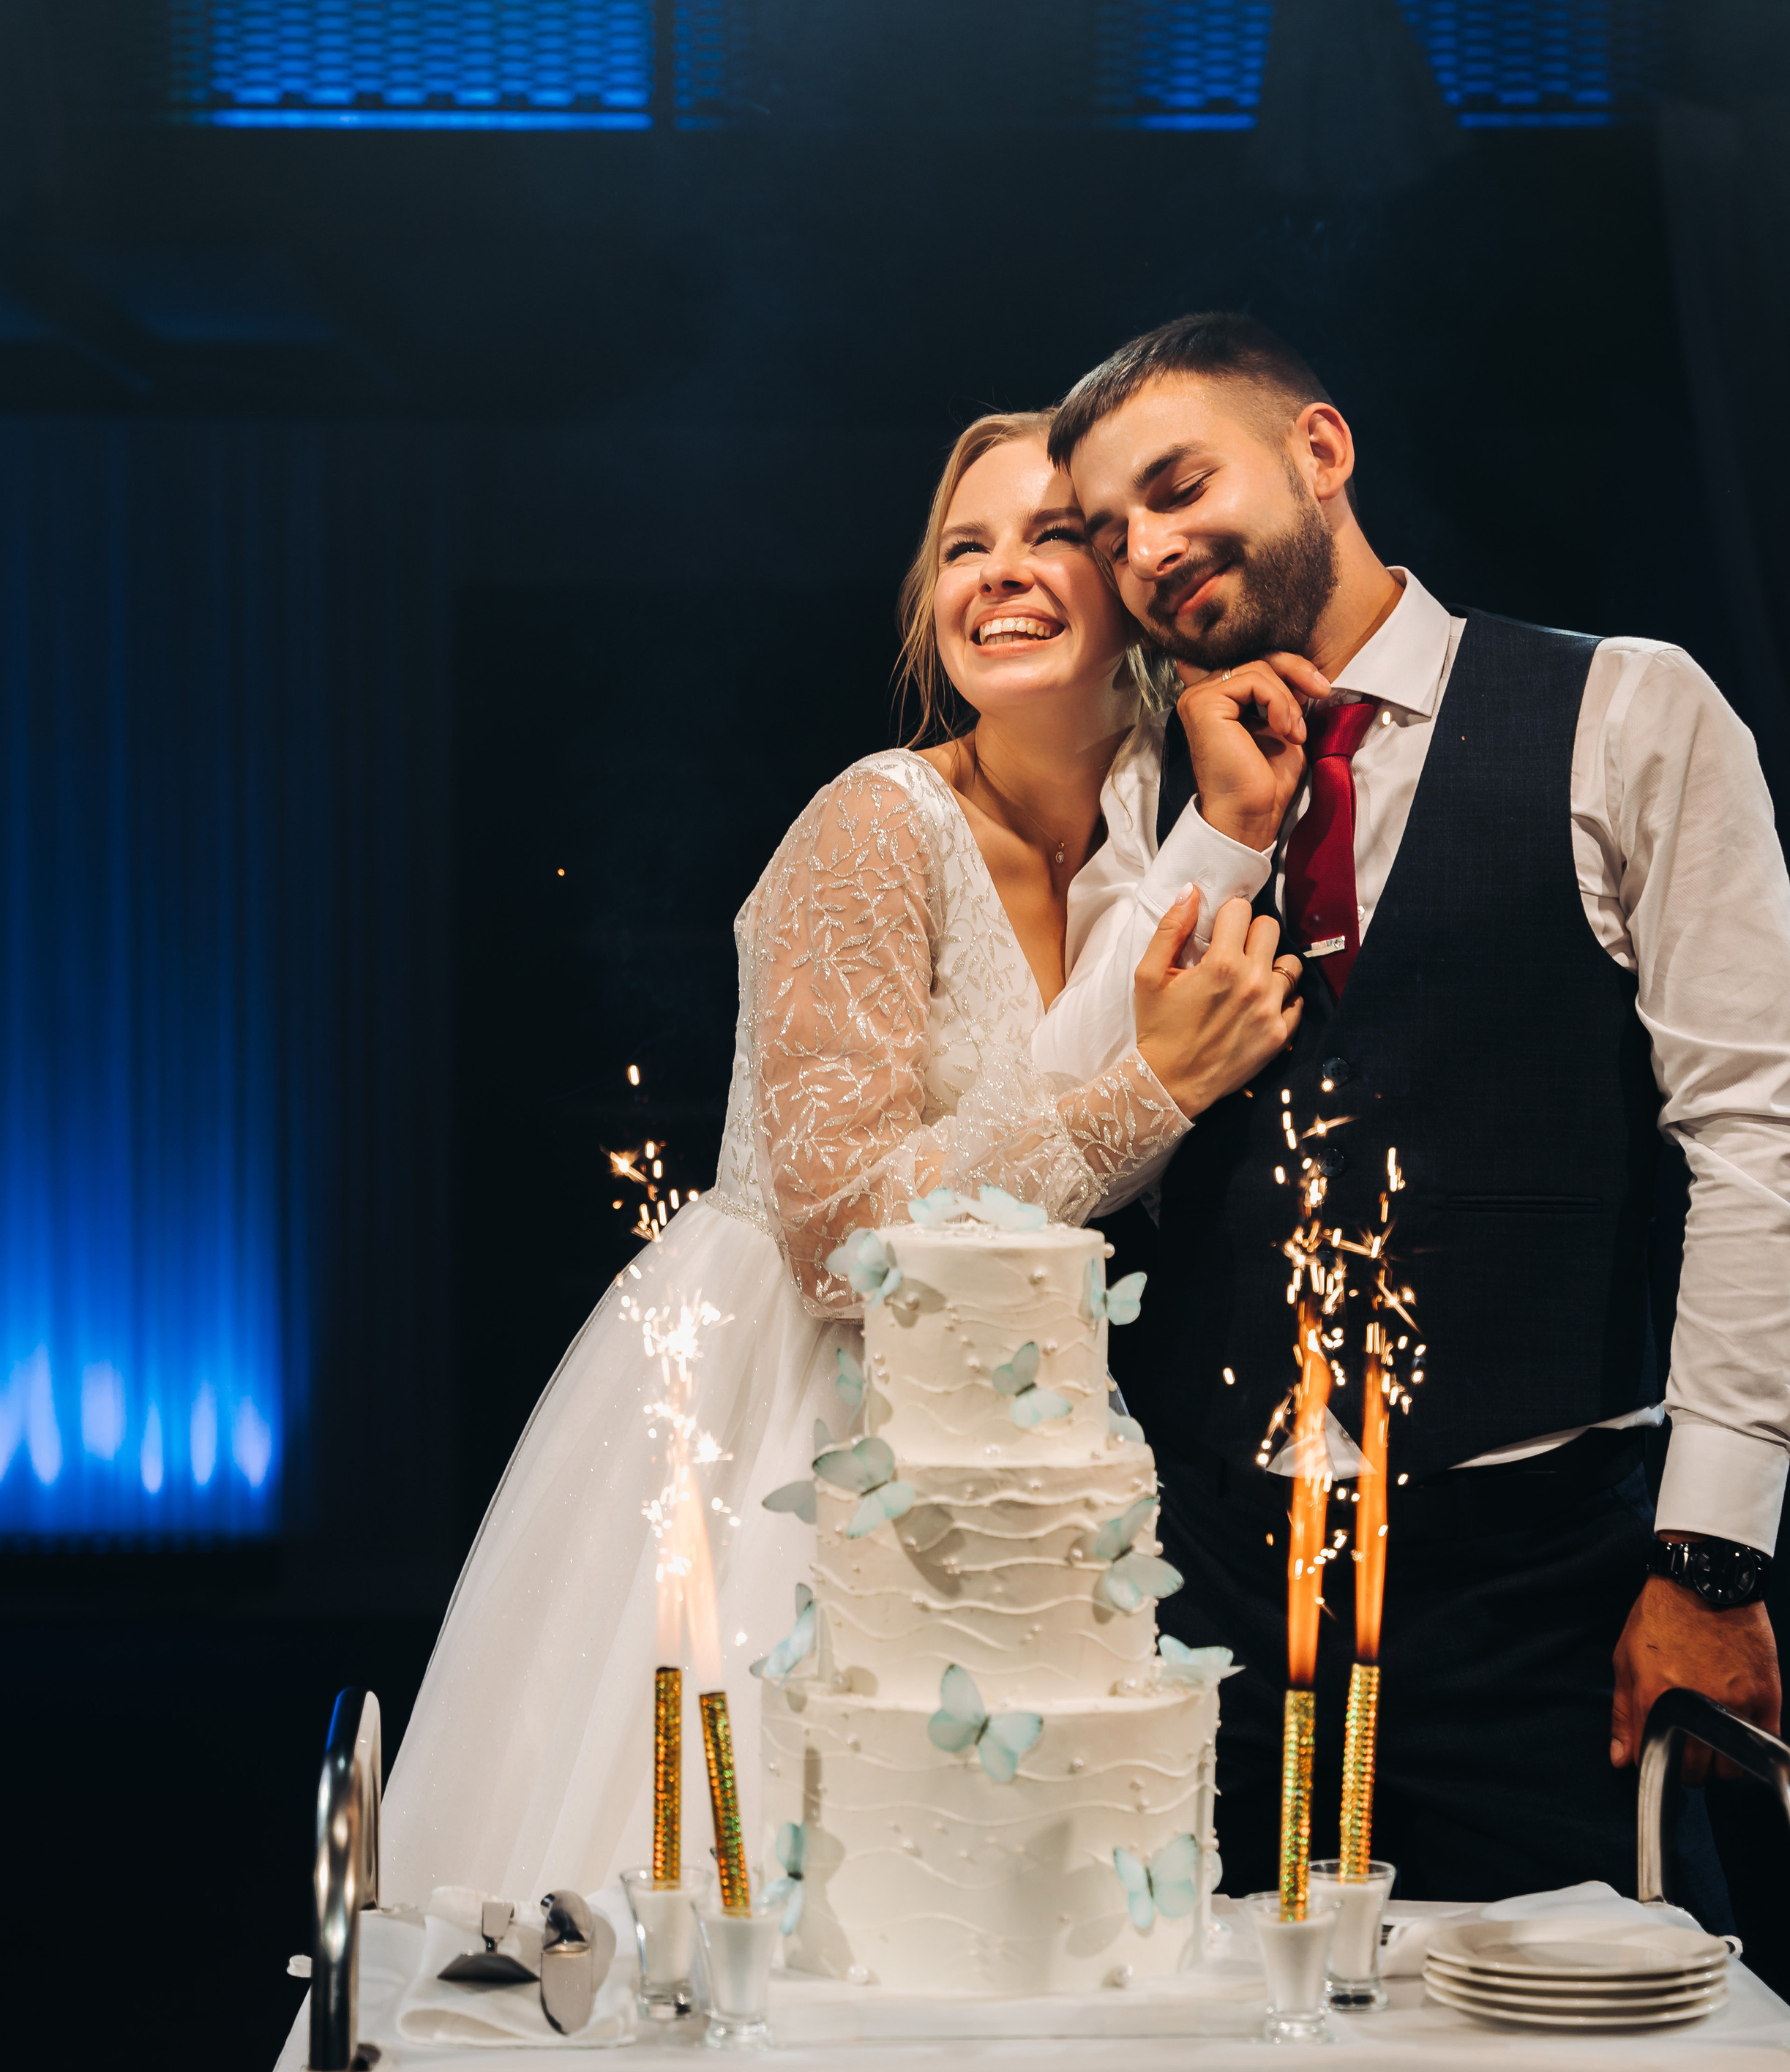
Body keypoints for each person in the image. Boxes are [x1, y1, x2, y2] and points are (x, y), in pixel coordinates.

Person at [381, 409, 1302, 1909]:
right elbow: (836, 1231)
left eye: (1048, 536)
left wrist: (1235, 832)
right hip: (797, 1408)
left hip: (1016, 1421)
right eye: (962, 548)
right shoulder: (872, 828)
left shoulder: (1152, 816)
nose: (997, 575)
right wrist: (1154, 1089)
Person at [1032, 309, 1789, 1913]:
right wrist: (1221, 837)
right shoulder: (1143, 795)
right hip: (1212, 1599)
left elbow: (1754, 1140)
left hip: (1541, 1593)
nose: (1150, 551)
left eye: (1177, 486)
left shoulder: (1628, 714)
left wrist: (1708, 1558)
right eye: (1111, 535)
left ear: (1317, 450)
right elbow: (1057, 1145)